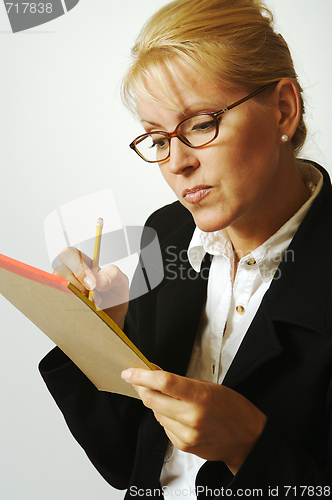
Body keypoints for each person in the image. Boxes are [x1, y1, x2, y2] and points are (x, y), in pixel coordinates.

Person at [39, 0, 332, 497]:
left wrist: (248, 447)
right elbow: (127, 462)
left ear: (283, 108)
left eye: (199, 124)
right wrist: (101, 335)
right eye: (157, 138)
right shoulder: (168, 233)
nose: (176, 163)